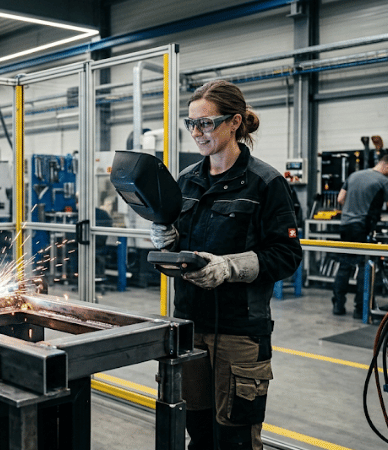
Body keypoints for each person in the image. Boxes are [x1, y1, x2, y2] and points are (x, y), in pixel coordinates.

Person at [150, 80, 302, 450]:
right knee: (198, 432)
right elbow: (180, 242)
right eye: (191, 124)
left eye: (206, 123)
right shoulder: (185, 181)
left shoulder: (266, 184)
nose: (197, 133)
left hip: (239, 331)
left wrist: (228, 267)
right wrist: (166, 241)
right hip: (189, 322)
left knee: (235, 437)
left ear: (235, 122)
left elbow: (286, 255)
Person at [332, 155, 388, 317]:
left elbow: (340, 199)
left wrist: (354, 207)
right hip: (363, 227)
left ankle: (338, 306)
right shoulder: (383, 181)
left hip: (346, 225)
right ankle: (360, 309)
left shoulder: (354, 175)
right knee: (365, 266)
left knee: (345, 265)